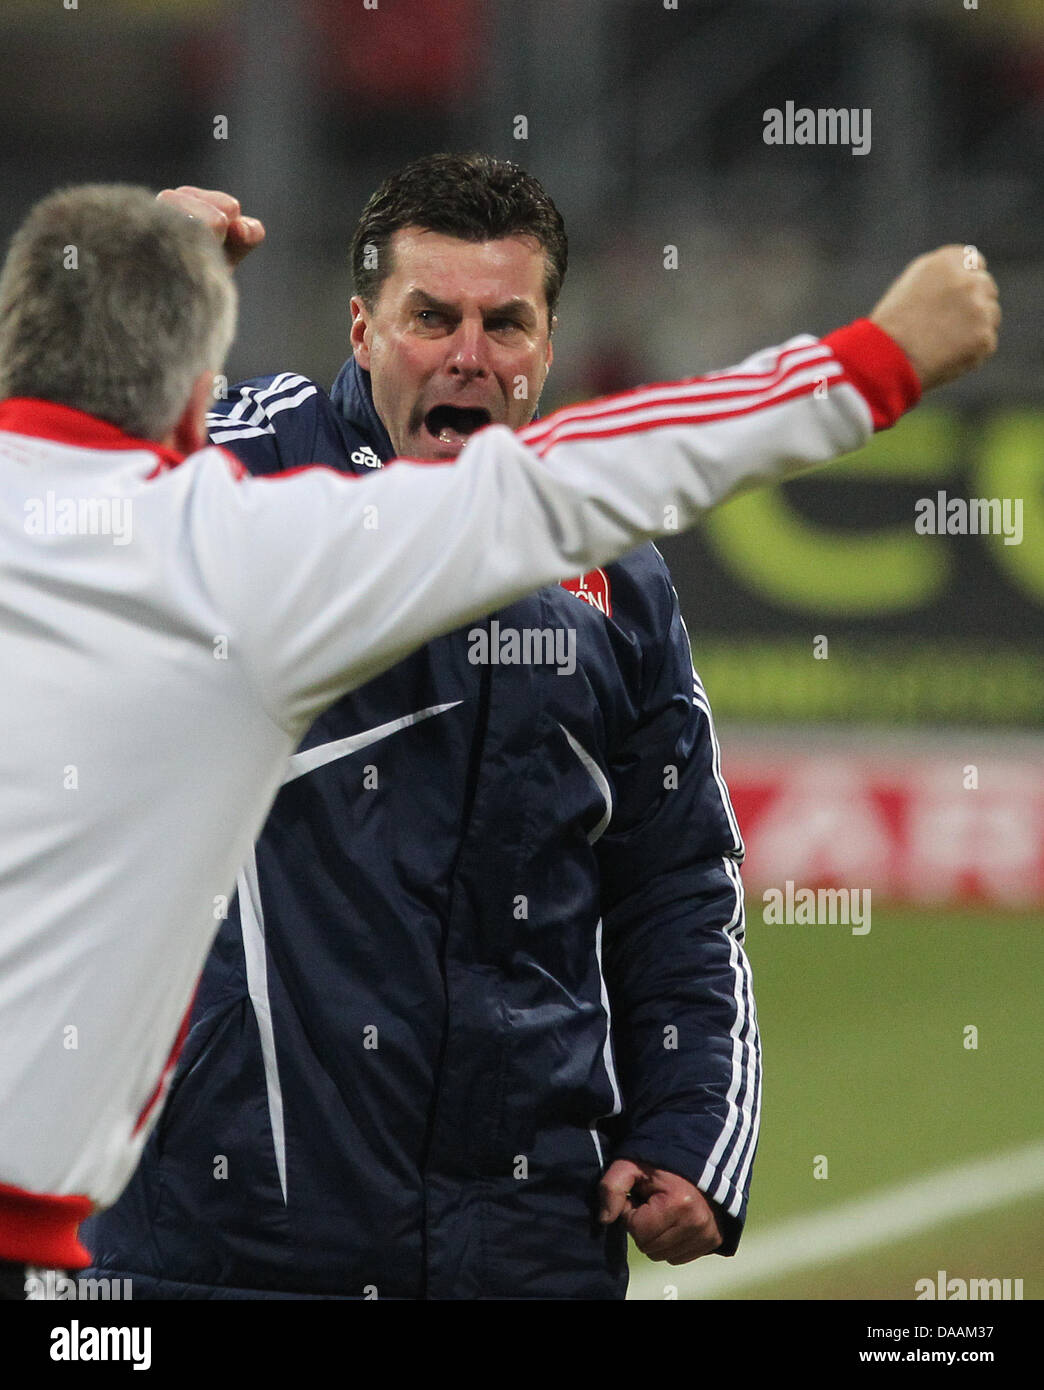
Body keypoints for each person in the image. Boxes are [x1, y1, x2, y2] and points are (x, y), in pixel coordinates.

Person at [79, 159, 999, 1301]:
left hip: (526, 1244)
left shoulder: (616, 577)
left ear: (549, 348)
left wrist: (690, 1125)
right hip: (226, 1245)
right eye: (431, 317)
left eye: (504, 321)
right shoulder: (223, 468)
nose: (469, 353)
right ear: (361, 328)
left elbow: (676, 881)